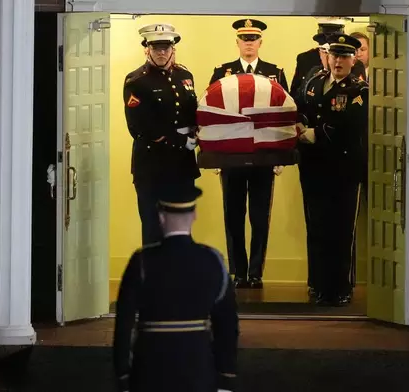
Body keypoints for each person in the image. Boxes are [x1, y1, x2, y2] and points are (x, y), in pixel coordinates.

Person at [113, 184, 239, 392]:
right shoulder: (212, 260)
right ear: (194, 215)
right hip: (198, 369)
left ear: (161, 217)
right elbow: (227, 325)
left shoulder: (142, 261)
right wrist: (226, 375)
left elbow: (123, 325)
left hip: (150, 370)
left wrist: (123, 375)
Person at [207, 18, 288, 289]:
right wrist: (215, 155)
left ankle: (255, 272)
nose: (249, 43)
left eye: (253, 39)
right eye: (245, 39)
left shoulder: (275, 72)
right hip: (230, 158)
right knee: (233, 215)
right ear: (237, 42)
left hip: (264, 158)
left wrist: (280, 157)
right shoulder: (222, 72)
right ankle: (238, 271)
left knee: (259, 216)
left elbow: (283, 115)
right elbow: (210, 114)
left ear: (261, 42)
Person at [294, 33, 369, 307]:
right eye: (334, 55)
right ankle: (318, 285)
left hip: (343, 170)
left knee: (341, 230)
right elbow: (300, 108)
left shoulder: (359, 91)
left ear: (353, 60)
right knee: (316, 227)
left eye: (345, 56)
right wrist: (300, 126)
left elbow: (351, 127)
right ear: (327, 56)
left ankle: (340, 287)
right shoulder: (314, 83)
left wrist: (317, 133)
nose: (338, 61)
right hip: (313, 167)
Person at [123, 23, 200, 246]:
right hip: (152, 165)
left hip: (182, 165)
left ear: (173, 49)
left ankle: (179, 279)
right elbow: (140, 126)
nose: (161, 53)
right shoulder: (136, 81)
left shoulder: (185, 75)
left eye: (166, 48)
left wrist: (198, 131)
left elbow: (190, 112)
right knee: (153, 228)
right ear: (146, 49)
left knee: (181, 228)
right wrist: (181, 141)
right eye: (156, 48)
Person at [290, 18, 366, 97]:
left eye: (331, 53)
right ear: (319, 51)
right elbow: (297, 95)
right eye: (324, 51)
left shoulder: (354, 66)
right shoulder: (308, 62)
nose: (327, 57)